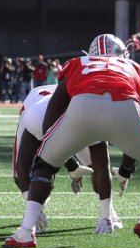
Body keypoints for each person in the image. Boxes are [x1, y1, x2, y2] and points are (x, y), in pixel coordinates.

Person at [5, 34, 140, 248]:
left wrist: (55, 152)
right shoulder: (134, 67)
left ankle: (26, 232)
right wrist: (125, 170)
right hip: (124, 105)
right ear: (122, 54)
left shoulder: (77, 64)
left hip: (81, 109)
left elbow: (52, 116)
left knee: (44, 166)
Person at [13, 84, 122, 235]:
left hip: (72, 112)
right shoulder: (36, 118)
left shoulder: (89, 119)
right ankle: (31, 217)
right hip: (37, 108)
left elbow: (102, 168)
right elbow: (23, 165)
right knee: (24, 175)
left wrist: (106, 215)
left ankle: (110, 211)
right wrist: (29, 203)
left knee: (96, 166)